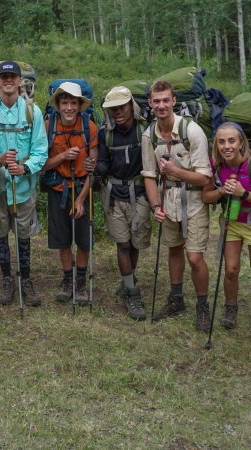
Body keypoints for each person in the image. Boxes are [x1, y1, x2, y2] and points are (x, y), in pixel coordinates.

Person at [0, 61, 48, 308]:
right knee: (0, 235)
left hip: (24, 187)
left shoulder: (32, 112)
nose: (8, 80)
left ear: (19, 82)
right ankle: (7, 279)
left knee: (23, 235)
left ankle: (25, 280)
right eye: (3, 76)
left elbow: (40, 150)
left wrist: (25, 168)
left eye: (12, 76)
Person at [142, 80, 213, 331]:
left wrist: (174, 171)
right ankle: (176, 298)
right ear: (150, 104)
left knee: (194, 258)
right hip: (167, 201)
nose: (161, 105)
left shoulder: (192, 131)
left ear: (174, 102)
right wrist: (154, 207)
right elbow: (149, 175)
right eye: (156, 101)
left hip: (193, 201)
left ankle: (202, 306)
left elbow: (205, 177)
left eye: (165, 100)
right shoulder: (149, 135)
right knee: (173, 249)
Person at [201, 122, 251, 336]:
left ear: (241, 142)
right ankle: (230, 308)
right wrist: (222, 191)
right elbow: (206, 196)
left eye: (232, 141)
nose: (227, 146)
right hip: (231, 222)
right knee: (231, 269)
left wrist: (244, 193)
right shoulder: (215, 164)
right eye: (221, 141)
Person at [94, 86, 152, 320]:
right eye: (113, 108)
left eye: (122, 107)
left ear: (131, 107)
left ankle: (129, 278)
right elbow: (104, 164)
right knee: (123, 244)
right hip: (114, 195)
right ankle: (132, 293)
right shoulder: (105, 134)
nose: (118, 112)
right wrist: (95, 170)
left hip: (140, 194)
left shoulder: (145, 131)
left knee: (136, 243)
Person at [42, 82, 99, 306]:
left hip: (83, 187)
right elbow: (42, 165)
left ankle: (81, 282)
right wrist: (63, 156)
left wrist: (82, 199)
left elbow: (93, 169)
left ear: (79, 105)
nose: (68, 108)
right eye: (64, 102)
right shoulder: (47, 126)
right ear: (57, 104)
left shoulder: (89, 127)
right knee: (63, 240)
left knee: (83, 240)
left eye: (73, 103)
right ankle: (67, 280)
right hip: (58, 189)